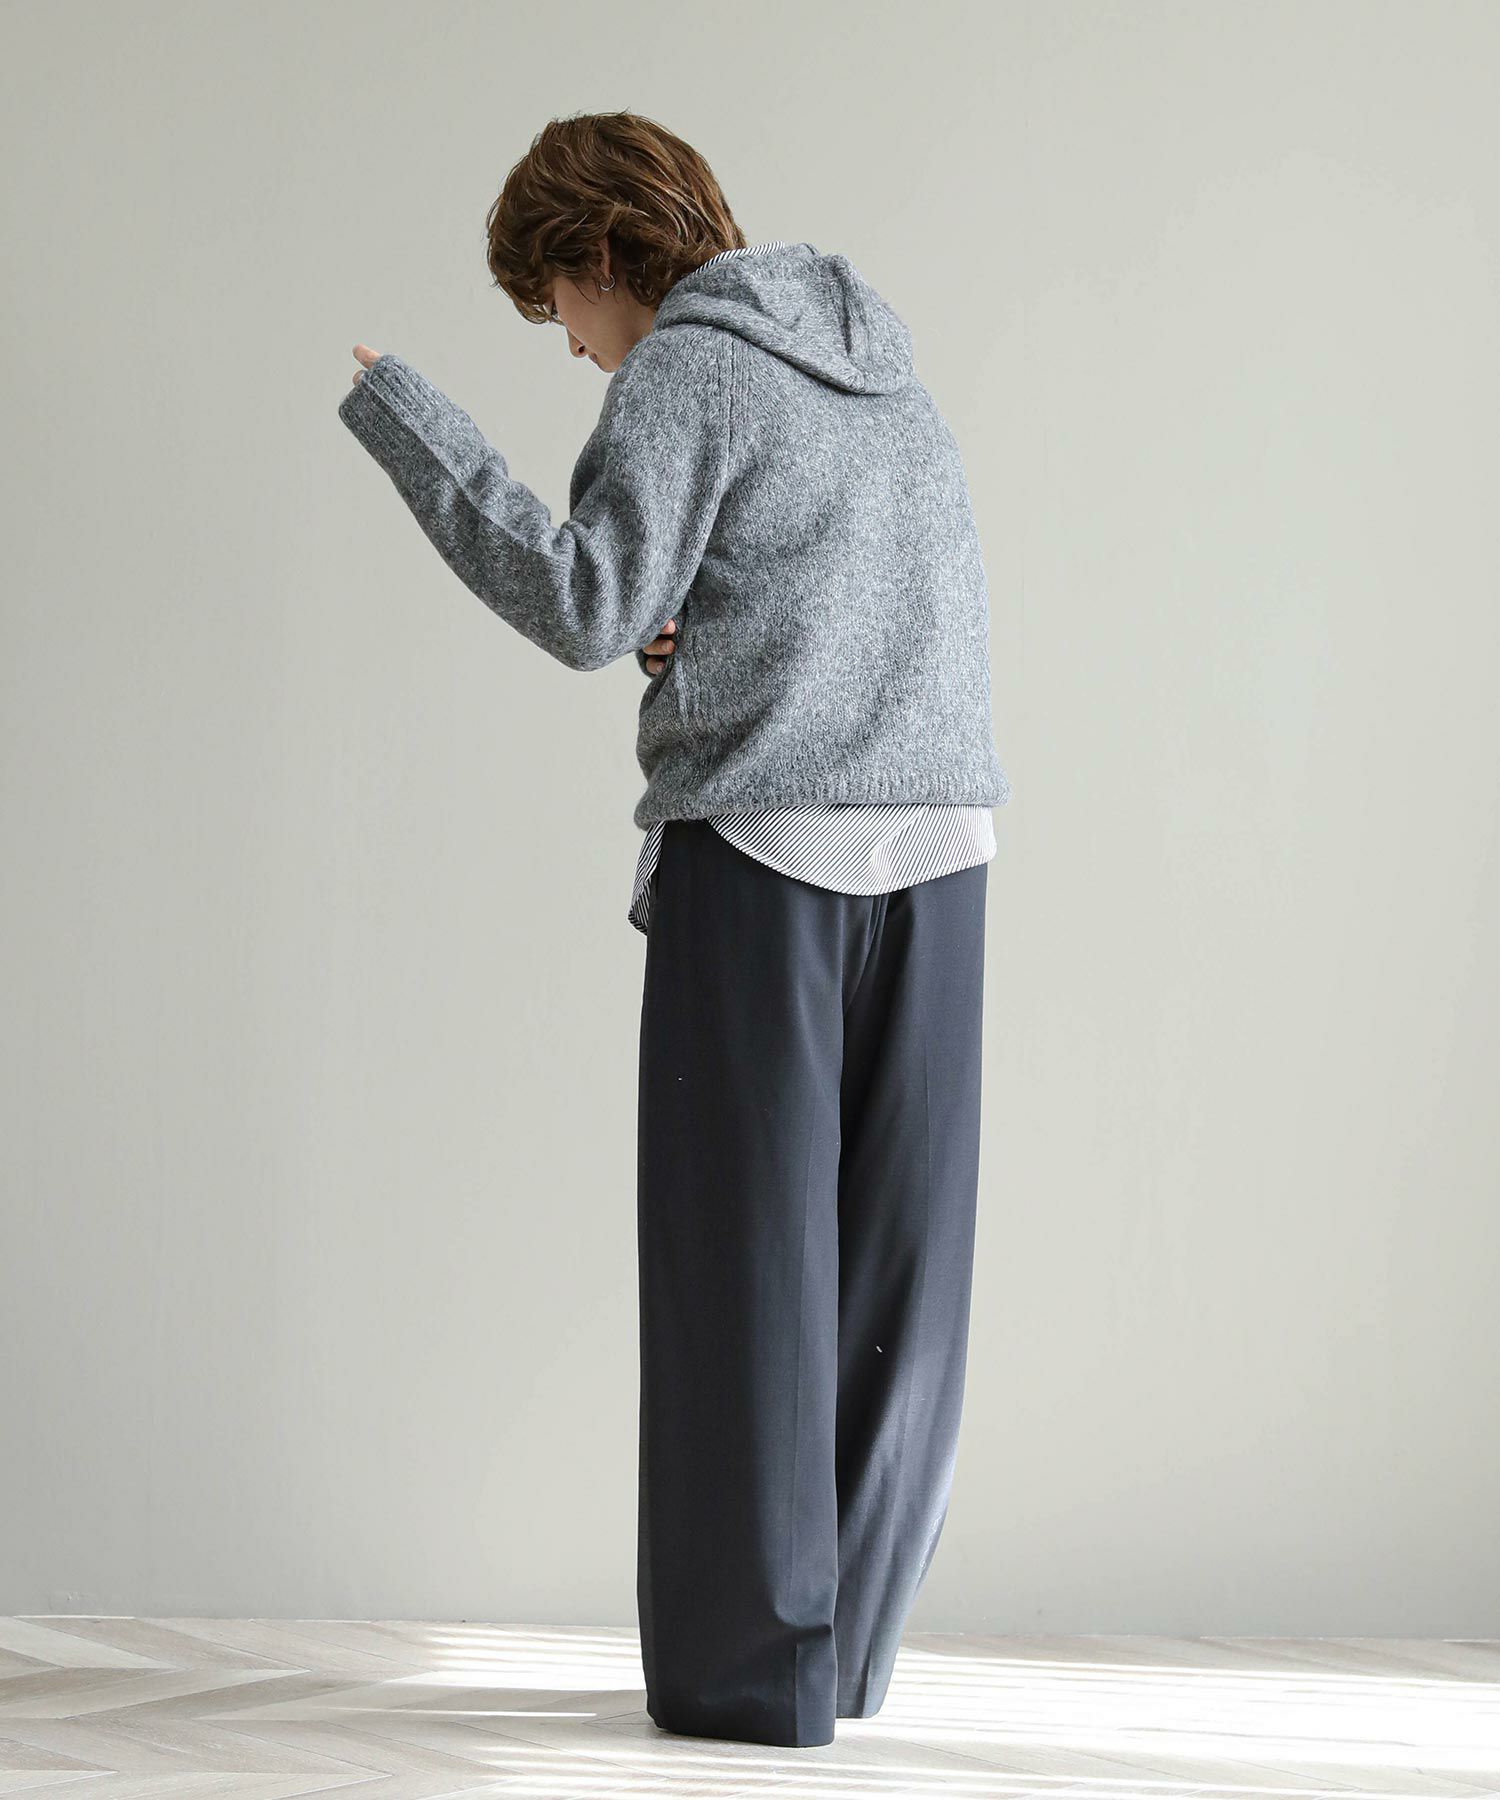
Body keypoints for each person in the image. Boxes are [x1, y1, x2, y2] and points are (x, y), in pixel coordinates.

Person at [338, 108, 1013, 1751]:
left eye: (555, 309)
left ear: (595, 254)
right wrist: (699, 636)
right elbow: (845, 582)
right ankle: (841, 1662)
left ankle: (741, 1680)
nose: (573, 348)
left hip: (769, 853)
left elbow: (584, 601)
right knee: (895, 1287)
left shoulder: (688, 367)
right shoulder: (871, 357)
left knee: (742, 1277)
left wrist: (410, 421)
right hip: (940, 842)